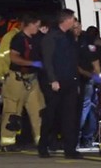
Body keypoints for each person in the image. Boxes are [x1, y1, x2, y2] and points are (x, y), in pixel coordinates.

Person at [38, 9, 83, 159]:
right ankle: (43, 146)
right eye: (73, 19)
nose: (75, 22)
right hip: (56, 82)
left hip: (70, 81)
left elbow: (72, 61)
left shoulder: (69, 37)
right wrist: (52, 79)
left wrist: (75, 81)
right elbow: (48, 61)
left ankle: (70, 149)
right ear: (67, 20)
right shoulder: (51, 37)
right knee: (50, 116)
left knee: (69, 117)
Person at [0, 12, 45, 152]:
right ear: (29, 25)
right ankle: (7, 142)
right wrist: (33, 63)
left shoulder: (35, 38)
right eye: (36, 26)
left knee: (38, 110)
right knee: (13, 111)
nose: (38, 28)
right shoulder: (18, 39)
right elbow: (14, 58)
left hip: (32, 79)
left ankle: (41, 140)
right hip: (17, 79)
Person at [77, 26, 101, 148]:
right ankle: (87, 138)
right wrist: (99, 79)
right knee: (91, 109)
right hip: (92, 81)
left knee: (85, 108)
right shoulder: (96, 49)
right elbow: (98, 67)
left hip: (83, 81)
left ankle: (78, 137)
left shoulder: (79, 47)